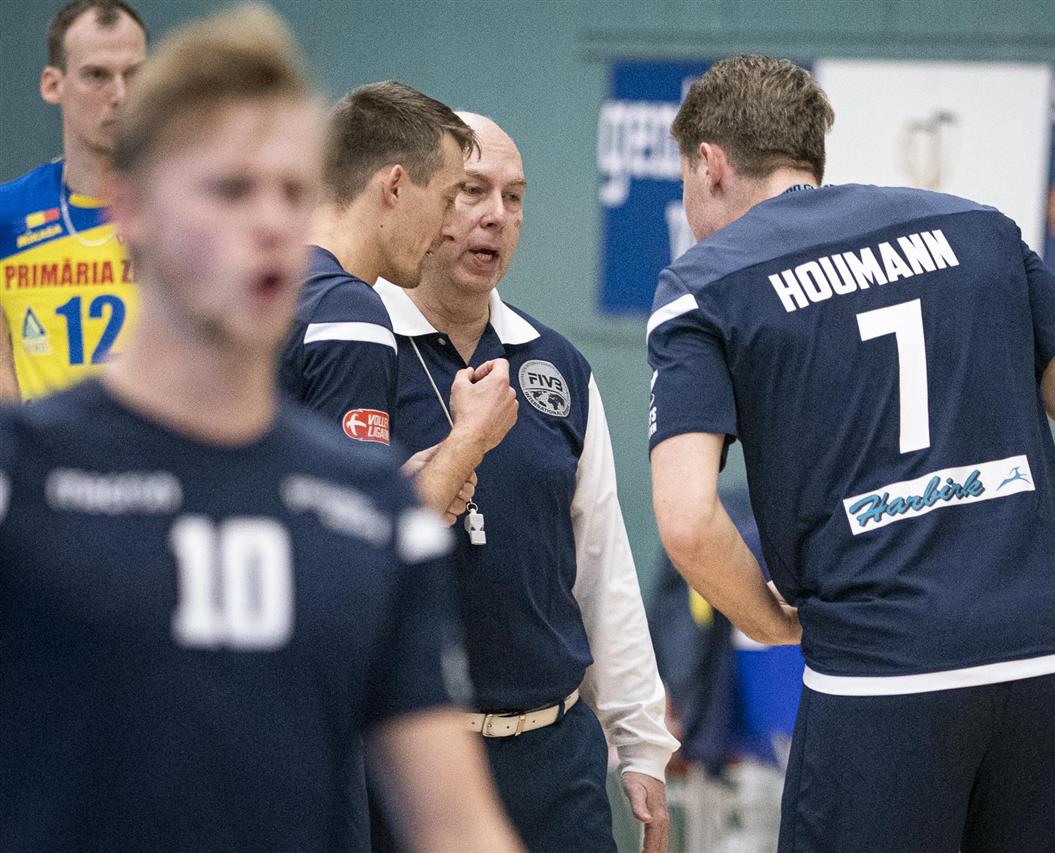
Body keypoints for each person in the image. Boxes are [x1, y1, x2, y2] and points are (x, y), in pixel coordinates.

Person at [0, 7, 521, 852]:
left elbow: (456, 824)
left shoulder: (373, 517)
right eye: (232, 189)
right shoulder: (25, 477)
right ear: (131, 210)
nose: (272, 222)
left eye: (291, 189)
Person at [647, 54, 1055, 851]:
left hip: (880, 675)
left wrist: (770, 623)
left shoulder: (705, 280)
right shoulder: (981, 228)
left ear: (708, 164)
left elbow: (685, 519)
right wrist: (1041, 586)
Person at [373, 113, 678, 853]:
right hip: (405, 760)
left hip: (554, 760)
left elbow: (602, 565)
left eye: (513, 198)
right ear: (415, 197)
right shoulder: (357, 349)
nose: (496, 216)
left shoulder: (557, 367)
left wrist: (641, 743)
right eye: (471, 190)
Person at [279, 82, 516, 523]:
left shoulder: (267, 287)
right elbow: (355, 534)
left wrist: (405, 487)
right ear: (395, 187)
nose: (449, 227)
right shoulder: (349, 312)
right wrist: (470, 439)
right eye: (448, 199)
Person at [0, 0, 147, 401]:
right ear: (53, 85)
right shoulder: (7, 216)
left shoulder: (185, 213)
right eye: (97, 75)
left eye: (134, 75)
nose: (120, 95)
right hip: (45, 441)